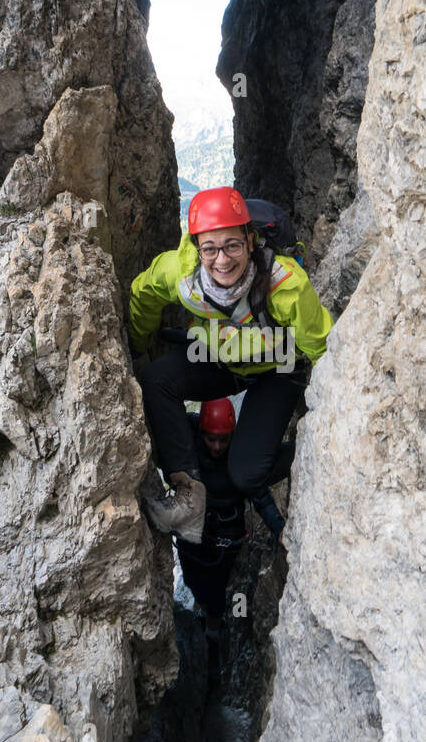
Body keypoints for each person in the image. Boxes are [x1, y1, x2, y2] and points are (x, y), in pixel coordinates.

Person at [128, 186, 333, 544]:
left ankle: (303, 448)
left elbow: (320, 347)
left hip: (278, 370)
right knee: (156, 378)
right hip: (220, 362)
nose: (222, 260)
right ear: (196, 248)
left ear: (250, 242)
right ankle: (188, 494)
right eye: (209, 248)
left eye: (232, 246)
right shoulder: (181, 272)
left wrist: (332, 421)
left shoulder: (284, 284)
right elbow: (143, 294)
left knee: (246, 475)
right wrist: (139, 346)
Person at [178, 397, 289, 690]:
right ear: (201, 431)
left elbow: (260, 495)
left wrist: (280, 528)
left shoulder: (241, 455)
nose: (216, 446)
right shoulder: (189, 438)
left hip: (226, 544)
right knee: (196, 585)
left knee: (227, 597)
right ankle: (208, 619)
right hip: (193, 540)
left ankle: (218, 635)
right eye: (210, 439)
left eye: (222, 440)